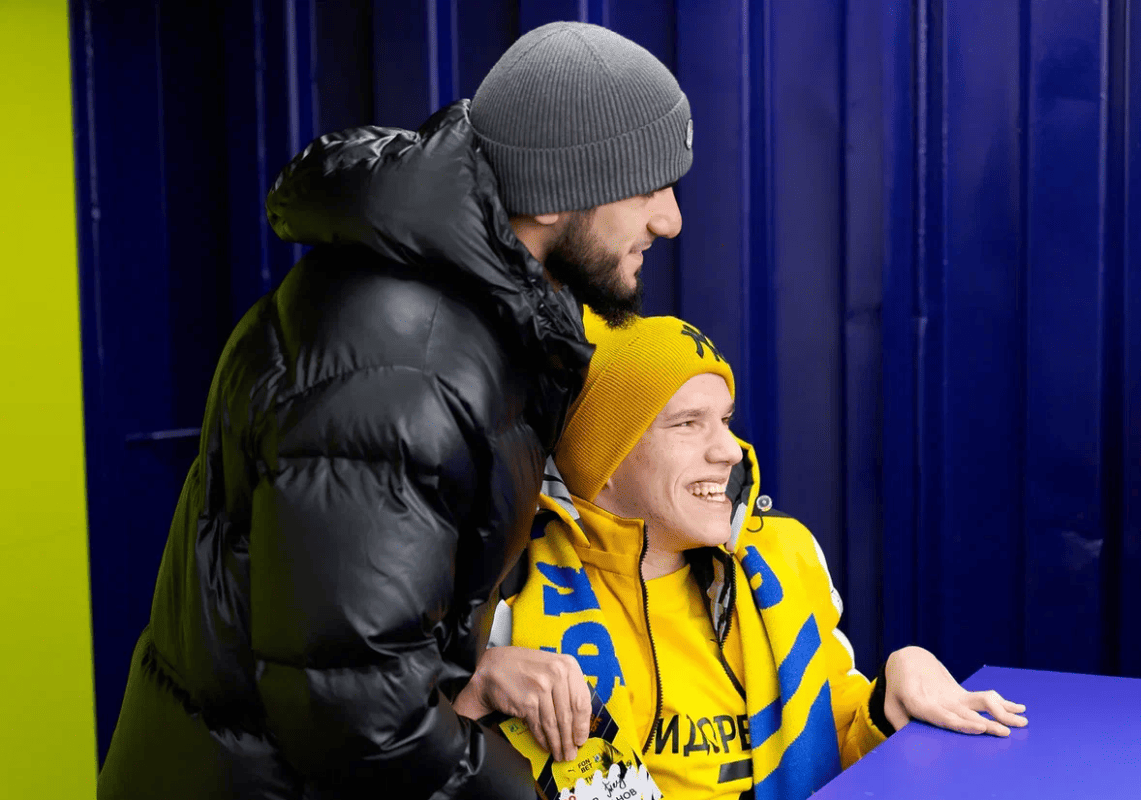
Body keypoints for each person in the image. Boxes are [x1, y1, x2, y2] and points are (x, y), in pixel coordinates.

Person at [98, 22, 691, 800]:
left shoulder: (477, 312)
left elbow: (352, 639)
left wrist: (463, 671)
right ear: (553, 194)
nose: (669, 219)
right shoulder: (403, 367)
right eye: (646, 187)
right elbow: (358, 719)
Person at [471, 310, 1029, 799]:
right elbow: (432, 764)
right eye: (688, 424)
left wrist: (894, 689)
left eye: (725, 420)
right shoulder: (509, 590)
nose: (730, 450)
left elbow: (838, 745)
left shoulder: (783, 557)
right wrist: (478, 687)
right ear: (605, 459)